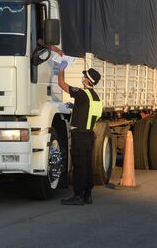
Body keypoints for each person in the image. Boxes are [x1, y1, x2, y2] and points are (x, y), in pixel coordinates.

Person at [52, 45, 103, 206]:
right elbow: (90, 113)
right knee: (87, 165)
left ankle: (78, 196)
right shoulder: (95, 98)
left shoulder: (81, 94)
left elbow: (61, 84)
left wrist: (61, 68)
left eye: (84, 76)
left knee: (79, 165)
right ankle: (87, 194)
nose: (82, 78)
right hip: (89, 134)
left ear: (87, 81)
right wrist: (75, 108)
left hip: (79, 135)